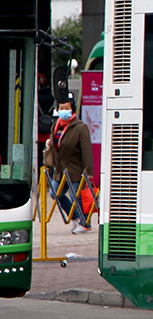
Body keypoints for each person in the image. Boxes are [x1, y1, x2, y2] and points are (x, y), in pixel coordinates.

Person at [44, 95, 94, 234]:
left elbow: (87, 150)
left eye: (67, 108)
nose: (64, 110)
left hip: (75, 169)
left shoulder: (80, 127)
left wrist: (88, 171)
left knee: (76, 196)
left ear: (72, 110)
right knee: (55, 193)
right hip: (60, 170)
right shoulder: (56, 126)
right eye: (61, 108)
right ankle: (75, 217)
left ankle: (85, 223)